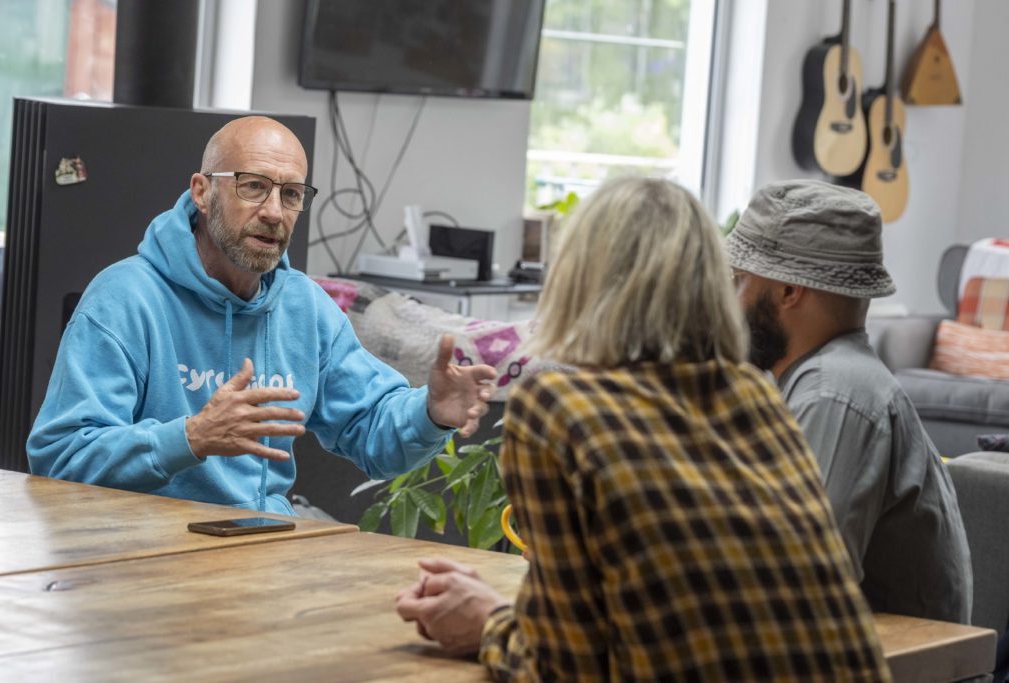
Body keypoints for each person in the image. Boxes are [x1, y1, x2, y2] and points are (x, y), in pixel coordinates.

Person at [395, 177, 890, 681]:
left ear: (578, 278)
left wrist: (487, 625)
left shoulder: (556, 408)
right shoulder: (754, 393)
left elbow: (565, 667)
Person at [27, 116, 496, 515]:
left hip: (263, 547)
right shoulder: (124, 298)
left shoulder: (304, 307)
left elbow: (374, 432)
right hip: (139, 555)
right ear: (202, 191)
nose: (274, 212)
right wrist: (191, 437)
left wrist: (432, 413)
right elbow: (60, 457)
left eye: (291, 194)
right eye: (254, 187)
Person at [725, 178, 971, 623]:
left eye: (740, 280)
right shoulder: (818, 379)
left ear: (788, 291)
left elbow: (799, 585)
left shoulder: (835, 392)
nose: (730, 298)